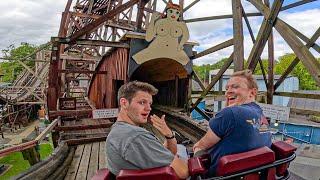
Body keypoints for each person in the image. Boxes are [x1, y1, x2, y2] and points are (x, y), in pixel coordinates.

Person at [193, 69, 272, 176]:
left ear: (252, 92)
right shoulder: (261, 114)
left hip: (218, 176)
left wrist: (196, 148)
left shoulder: (229, 113)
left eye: (235, 87)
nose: (228, 92)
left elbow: (201, 145)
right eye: (227, 88)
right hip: (254, 174)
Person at [106, 81, 189, 179]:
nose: (149, 108)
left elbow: (160, 153)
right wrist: (185, 161)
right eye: (142, 102)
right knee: (184, 151)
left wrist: (169, 135)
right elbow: (183, 172)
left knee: (180, 148)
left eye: (150, 104)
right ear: (124, 103)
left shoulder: (117, 130)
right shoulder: (136, 136)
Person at [132, 0, 190, 65]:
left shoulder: (181, 24)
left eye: (177, 13)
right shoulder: (160, 22)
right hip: (155, 49)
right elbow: (148, 38)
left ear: (179, 15)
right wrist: (152, 21)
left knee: (186, 63)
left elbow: (186, 36)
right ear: (166, 12)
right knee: (138, 61)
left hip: (174, 50)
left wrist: (180, 45)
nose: (173, 14)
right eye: (171, 11)